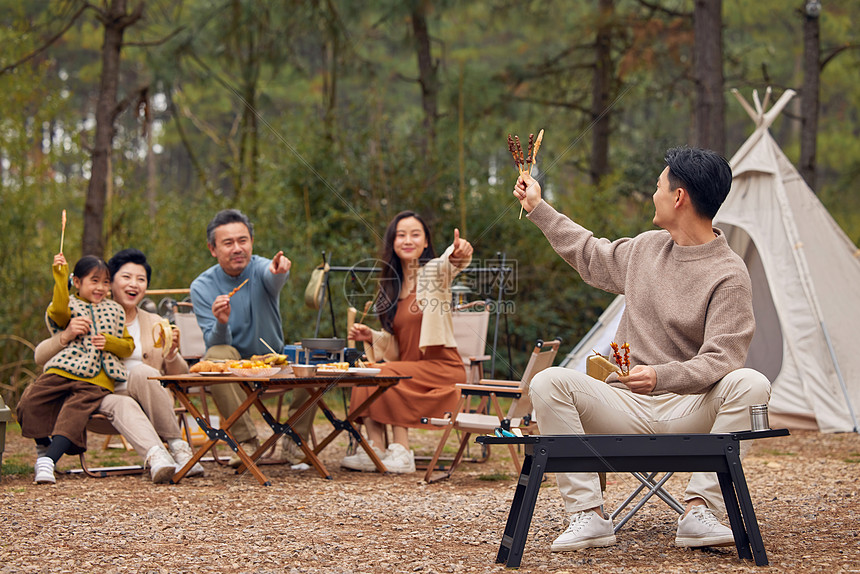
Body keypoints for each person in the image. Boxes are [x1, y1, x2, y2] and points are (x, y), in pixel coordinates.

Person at [513, 147, 772, 552]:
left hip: (689, 410)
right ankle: (589, 515)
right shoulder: (647, 250)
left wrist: (663, 375)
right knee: (549, 382)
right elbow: (589, 253)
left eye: (658, 186)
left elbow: (723, 358)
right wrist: (538, 206)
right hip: (625, 405)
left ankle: (699, 510)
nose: (654, 194)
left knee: (751, 383)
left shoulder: (729, 274)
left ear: (679, 196)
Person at [34, 248, 205, 483]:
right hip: (101, 393)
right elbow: (40, 356)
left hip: (152, 396)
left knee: (144, 372)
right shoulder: (84, 313)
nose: (134, 284)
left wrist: (172, 353)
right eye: (126, 277)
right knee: (122, 401)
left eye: (141, 279)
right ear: (109, 282)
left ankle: (176, 448)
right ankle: (158, 458)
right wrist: (65, 336)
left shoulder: (156, 322)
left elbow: (179, 377)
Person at [342, 210, 474, 473]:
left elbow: (448, 264)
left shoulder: (432, 275)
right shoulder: (391, 286)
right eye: (401, 235)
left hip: (441, 369)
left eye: (415, 234)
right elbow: (398, 348)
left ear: (426, 242)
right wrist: (372, 336)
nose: (407, 240)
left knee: (387, 374)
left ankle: (402, 452)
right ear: (392, 241)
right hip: (411, 368)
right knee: (367, 371)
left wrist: (458, 253)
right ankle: (375, 449)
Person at [190, 209, 311, 466]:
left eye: (242, 240)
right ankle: (245, 440)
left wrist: (280, 271)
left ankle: (295, 440)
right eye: (228, 243)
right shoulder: (201, 286)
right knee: (216, 355)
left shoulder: (260, 268)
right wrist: (222, 323)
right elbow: (214, 343)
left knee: (311, 360)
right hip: (234, 367)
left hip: (272, 366)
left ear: (251, 243)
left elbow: (274, 274)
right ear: (213, 249)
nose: (237, 248)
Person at [18, 253, 134, 484]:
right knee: (30, 401)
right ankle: (43, 446)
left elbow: (128, 346)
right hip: (64, 369)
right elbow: (58, 310)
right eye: (94, 280)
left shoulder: (115, 310)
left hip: (97, 379)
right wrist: (61, 277)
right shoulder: (69, 306)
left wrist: (109, 342)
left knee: (74, 412)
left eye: (105, 282)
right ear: (78, 282)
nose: (101, 287)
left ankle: (48, 461)